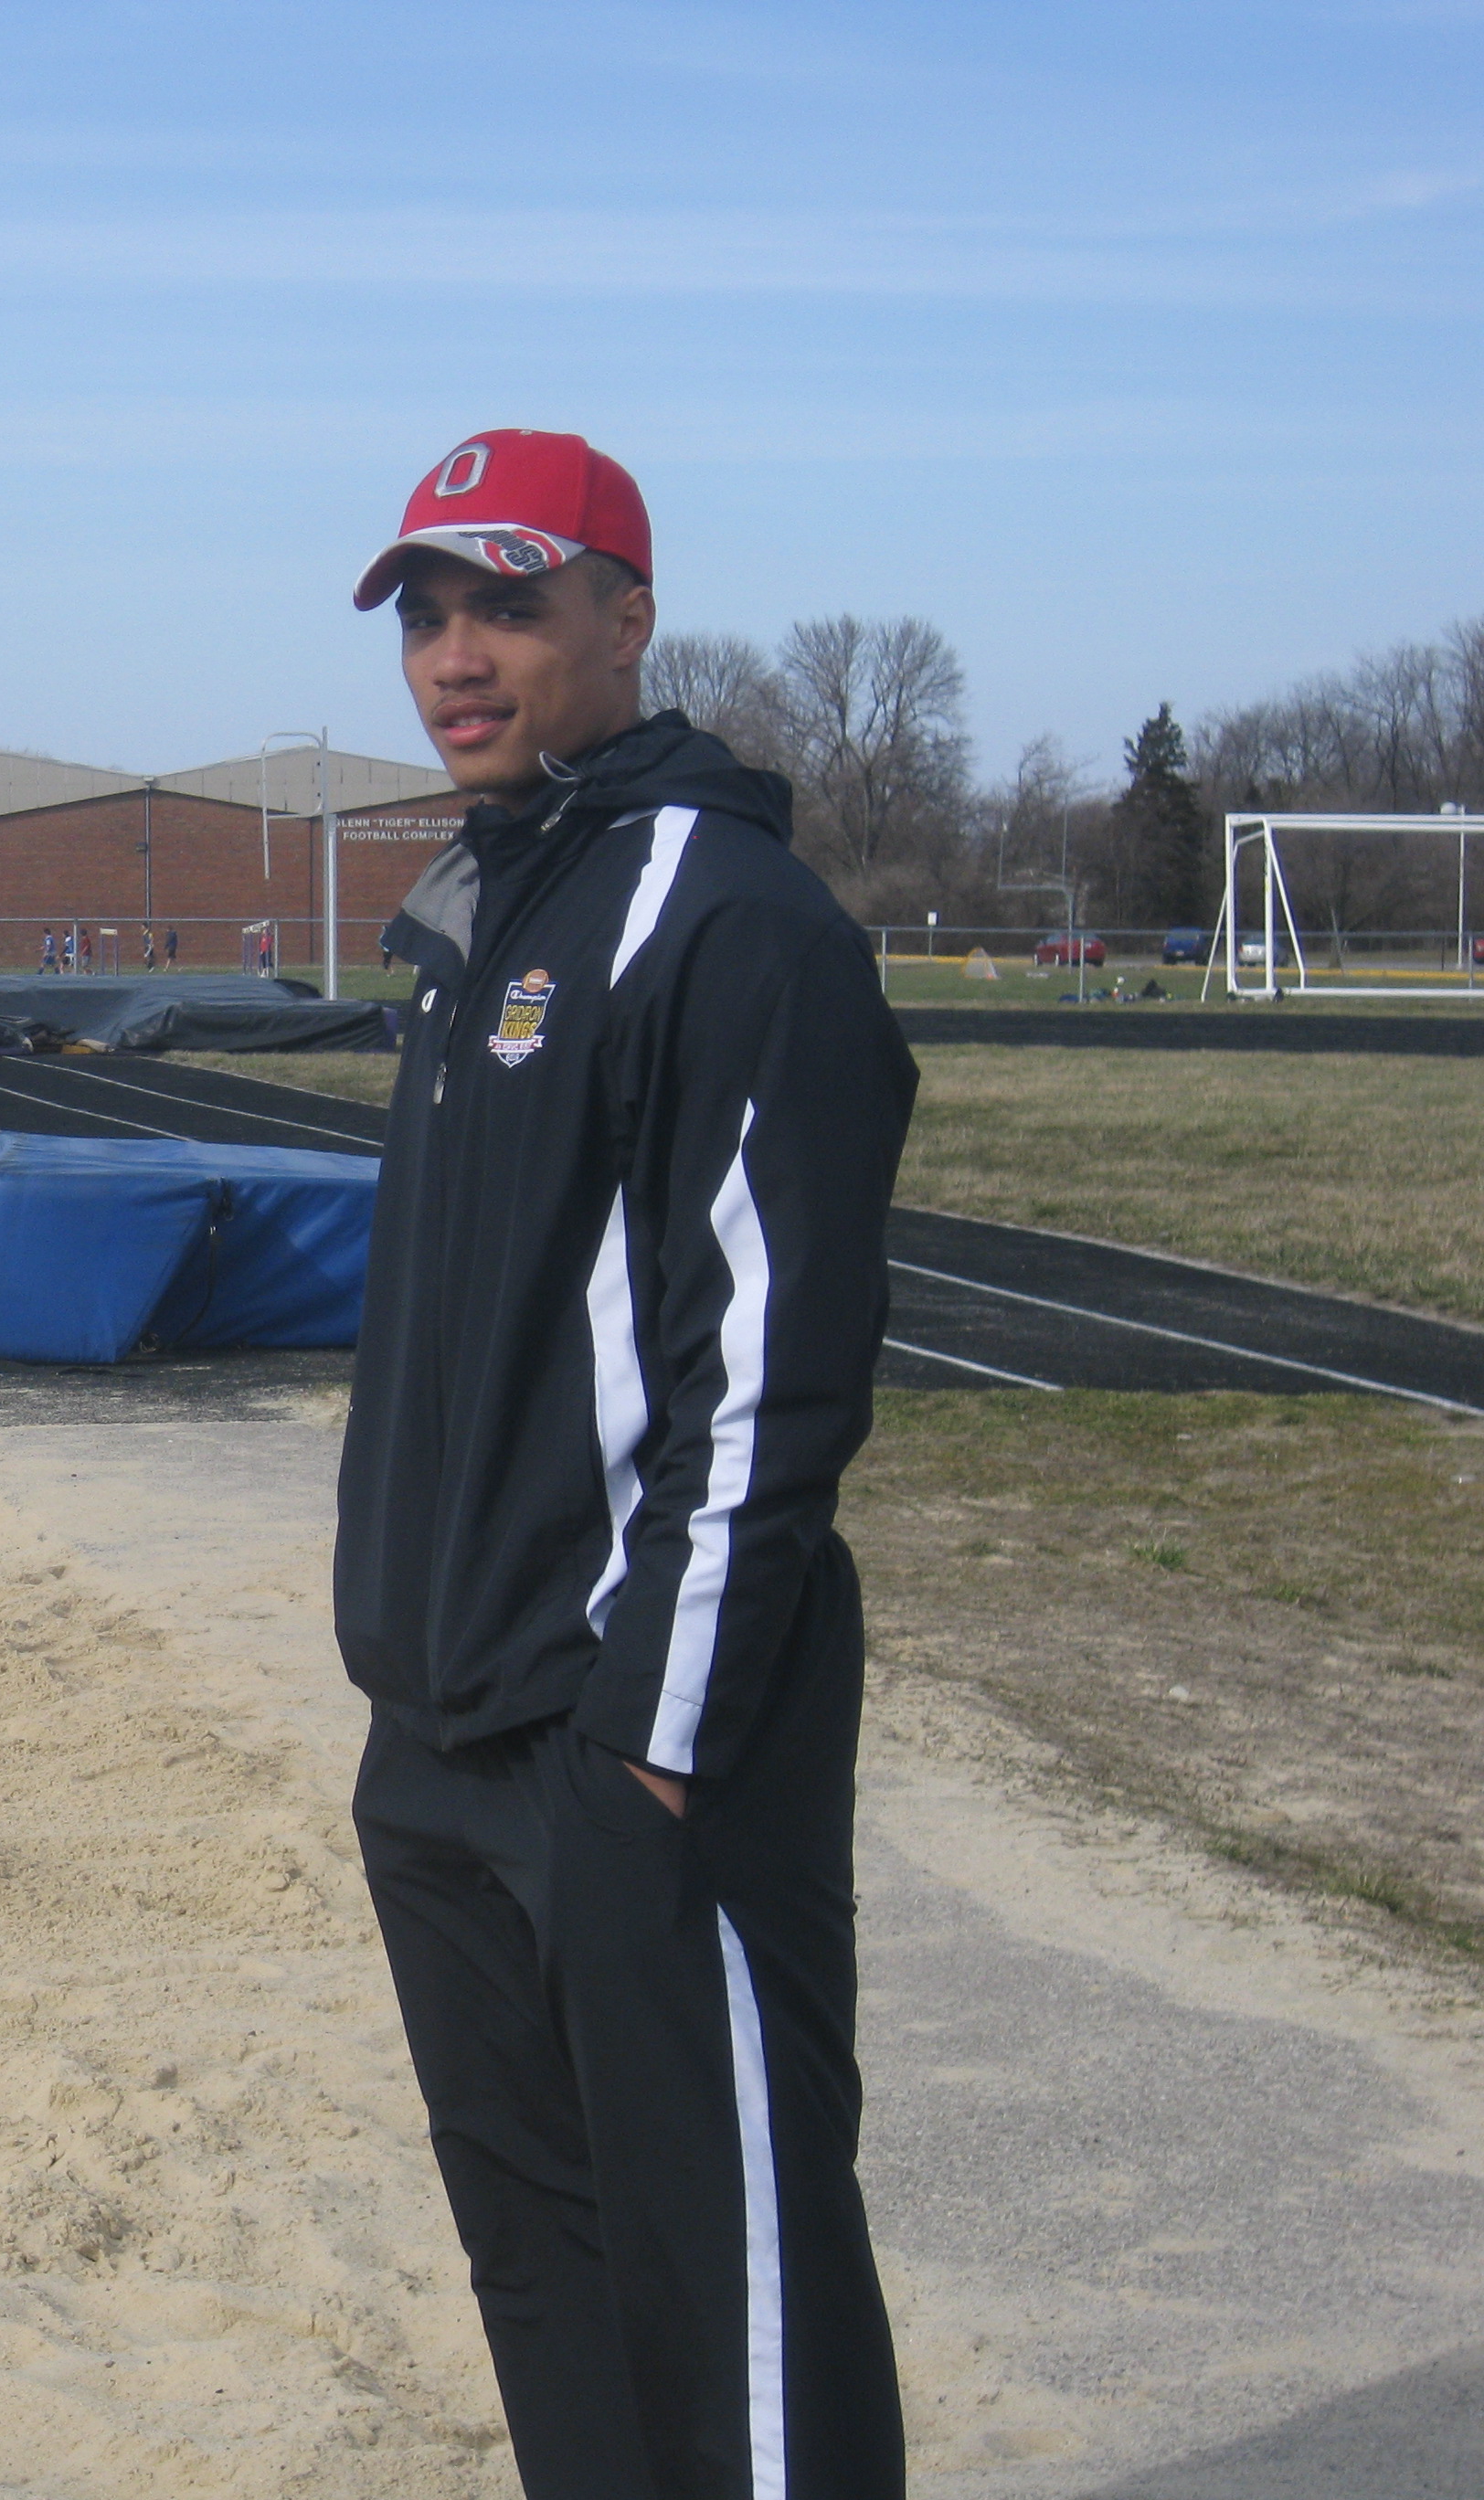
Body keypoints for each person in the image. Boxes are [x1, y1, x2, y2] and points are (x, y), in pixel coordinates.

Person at [335, 429, 913, 2498]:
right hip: (438, 1723)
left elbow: (763, 1371)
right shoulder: (482, 907)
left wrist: (647, 1747)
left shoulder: (727, 915)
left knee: (735, 2289)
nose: (454, 653)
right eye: (422, 608)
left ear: (626, 612)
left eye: (504, 598)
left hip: (636, 1740)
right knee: (548, 2274)